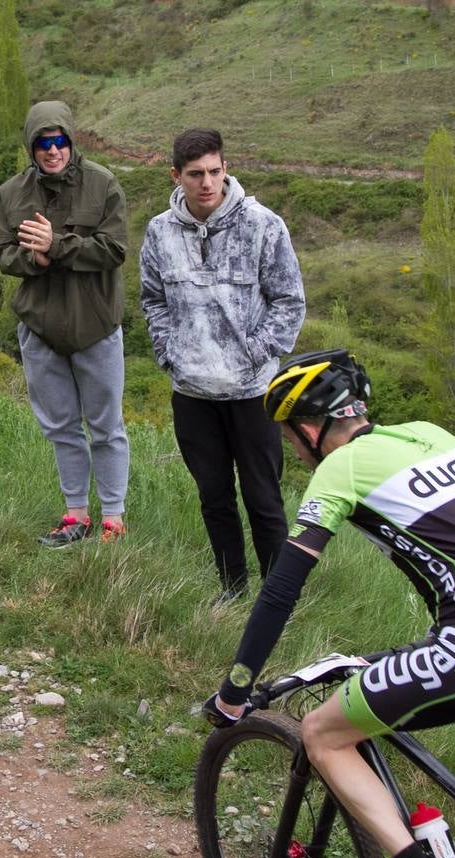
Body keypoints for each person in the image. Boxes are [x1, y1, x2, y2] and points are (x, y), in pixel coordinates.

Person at [202, 349, 455, 858]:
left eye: (288, 437)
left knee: (322, 735)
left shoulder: (340, 467)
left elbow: (283, 586)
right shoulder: (433, 433)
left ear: (309, 428)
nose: (292, 450)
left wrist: (235, 688)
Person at [139, 128, 305, 605]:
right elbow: (152, 299)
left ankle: (278, 601)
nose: (206, 183)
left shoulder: (263, 225)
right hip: (191, 393)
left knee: (264, 500)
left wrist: (254, 353)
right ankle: (231, 590)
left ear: (225, 169)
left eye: (214, 171)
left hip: (252, 392)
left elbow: (289, 301)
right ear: (177, 176)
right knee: (214, 499)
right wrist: (170, 351)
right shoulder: (160, 232)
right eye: (195, 175)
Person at [0, 100, 129, 547]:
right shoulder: (11, 193)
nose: (52, 151)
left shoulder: (103, 184)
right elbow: (2, 254)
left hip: (96, 326)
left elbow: (114, 250)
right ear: (31, 148)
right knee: (62, 428)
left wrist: (60, 245)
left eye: (59, 141)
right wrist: (33, 257)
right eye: (42, 143)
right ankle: (75, 517)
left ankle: (112, 519)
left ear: (71, 141)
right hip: (40, 328)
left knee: (106, 427)